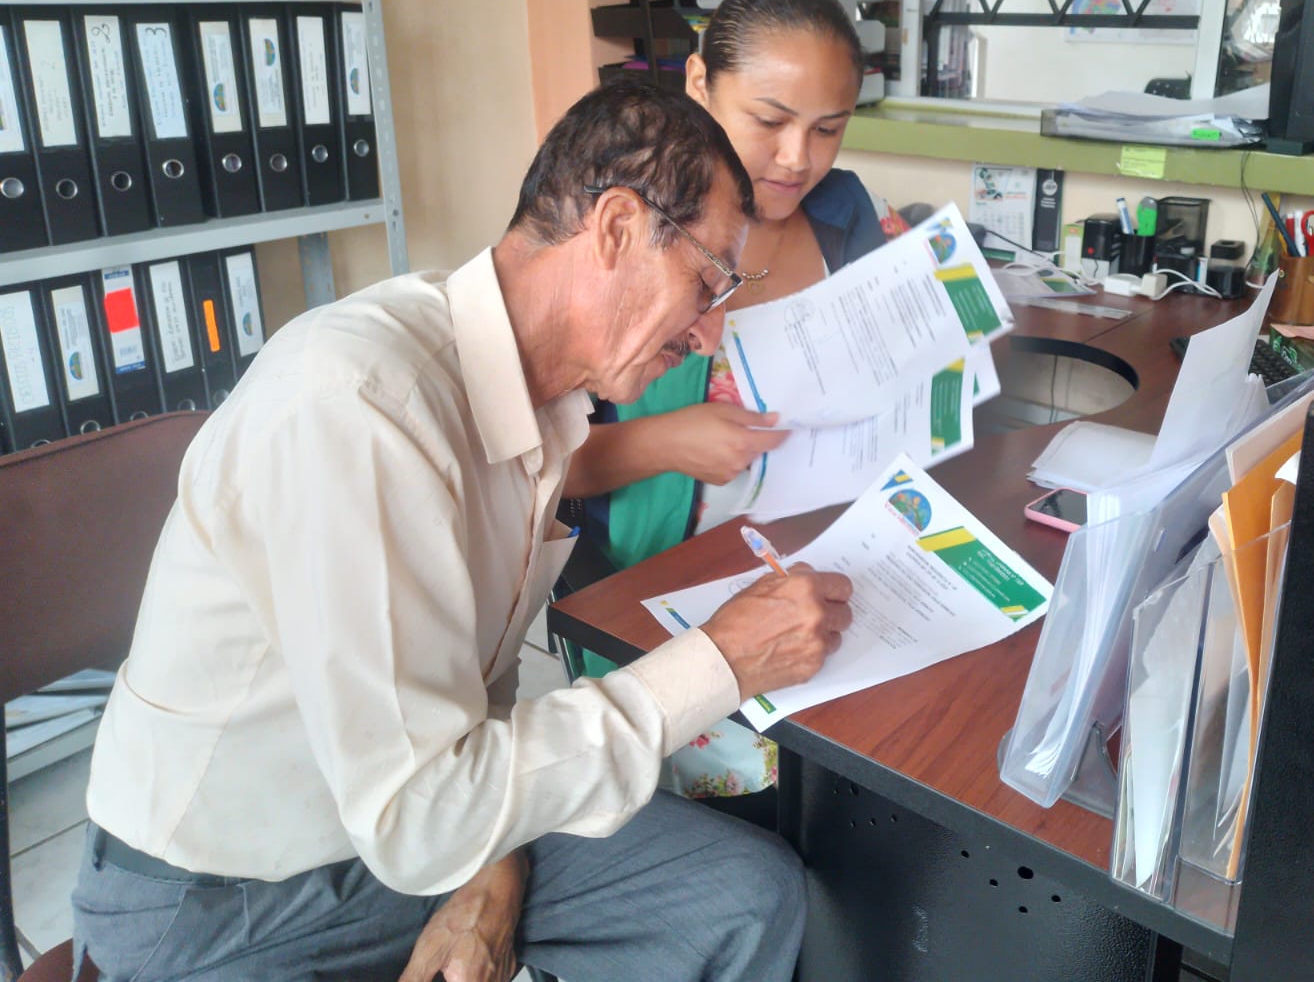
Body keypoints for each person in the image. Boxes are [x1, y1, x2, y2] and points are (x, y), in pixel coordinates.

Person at [71, 80, 854, 982]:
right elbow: (420, 818)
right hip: (221, 898)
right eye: (709, 282)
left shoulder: (539, 400)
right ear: (616, 227)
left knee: (743, 896)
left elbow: (468, 703)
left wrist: (493, 867)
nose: (709, 334)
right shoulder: (362, 407)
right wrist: (721, 662)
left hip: (395, 830)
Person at [565, 0, 908, 803]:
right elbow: (539, 469)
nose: (798, 159)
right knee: (745, 820)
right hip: (661, 607)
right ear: (698, 83)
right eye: (770, 120)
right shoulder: (625, 235)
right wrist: (663, 442)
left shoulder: (848, 219)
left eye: (829, 129)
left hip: (824, 584)